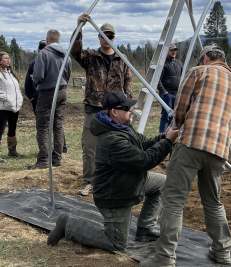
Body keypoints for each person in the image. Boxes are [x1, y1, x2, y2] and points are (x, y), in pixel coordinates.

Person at [139, 44, 231, 267]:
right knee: (213, 201)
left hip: (190, 143)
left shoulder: (198, 72)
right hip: (219, 151)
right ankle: (222, 252)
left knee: (174, 201)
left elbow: (180, 108)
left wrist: (180, 126)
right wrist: (220, 134)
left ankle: (164, 258)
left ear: (206, 57)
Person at [47, 91, 179, 251]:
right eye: (127, 108)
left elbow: (144, 143)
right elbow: (145, 160)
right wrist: (167, 141)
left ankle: (145, 229)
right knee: (116, 243)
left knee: (161, 184)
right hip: (114, 195)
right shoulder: (112, 139)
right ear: (114, 112)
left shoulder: (122, 127)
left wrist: (164, 136)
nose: (132, 109)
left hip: (127, 182)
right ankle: (68, 224)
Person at [71, 13, 133, 196]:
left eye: (110, 36)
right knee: (89, 146)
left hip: (115, 111)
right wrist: (79, 28)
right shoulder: (91, 56)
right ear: (99, 37)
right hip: (94, 108)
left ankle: (117, 178)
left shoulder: (122, 58)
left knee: (120, 144)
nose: (107, 38)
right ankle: (89, 181)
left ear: (114, 37)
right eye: (104, 35)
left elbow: (128, 82)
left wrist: (128, 106)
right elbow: (75, 52)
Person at [28, 30, 72, 169]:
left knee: (43, 126)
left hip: (47, 92)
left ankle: (43, 160)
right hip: (62, 91)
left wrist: (35, 80)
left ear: (47, 40)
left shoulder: (43, 53)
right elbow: (68, 74)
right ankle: (57, 157)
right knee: (57, 125)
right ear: (58, 40)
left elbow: (38, 75)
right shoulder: (66, 54)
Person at [0, 52, 24, 162]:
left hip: (14, 107)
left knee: (12, 129)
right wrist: (7, 98)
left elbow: (16, 89)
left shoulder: (11, 74)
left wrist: (19, 99)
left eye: (9, 58)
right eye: (5, 58)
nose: (8, 60)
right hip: (3, 107)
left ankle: (12, 151)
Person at [157, 43, 183, 133]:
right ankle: (162, 136)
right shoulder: (162, 63)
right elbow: (157, 79)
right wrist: (164, 92)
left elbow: (183, 77)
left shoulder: (178, 63)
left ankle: (171, 136)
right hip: (167, 94)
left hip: (177, 94)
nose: (174, 52)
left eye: (175, 50)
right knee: (166, 116)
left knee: (174, 117)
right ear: (166, 51)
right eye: (172, 50)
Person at [25, 40, 46, 115]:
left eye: (45, 48)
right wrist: (31, 97)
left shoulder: (52, 63)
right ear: (38, 49)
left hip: (49, 96)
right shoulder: (33, 65)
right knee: (39, 120)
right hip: (37, 98)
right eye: (41, 48)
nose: (42, 50)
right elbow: (27, 82)